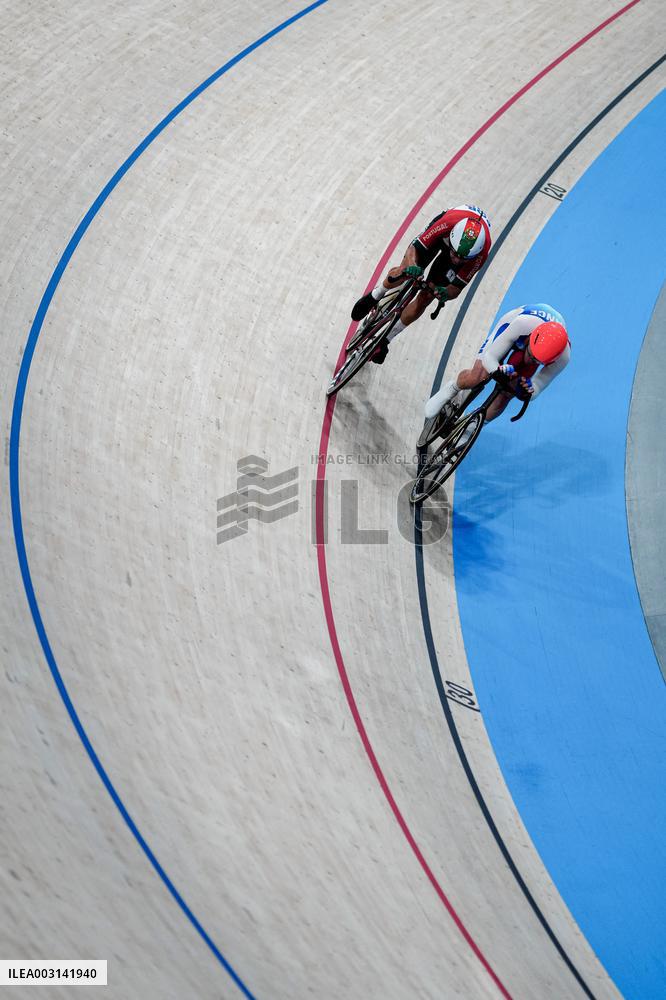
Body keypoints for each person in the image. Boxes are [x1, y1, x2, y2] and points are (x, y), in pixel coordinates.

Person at [351, 205, 492, 363]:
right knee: (406, 270)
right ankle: (376, 295)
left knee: (427, 297)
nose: (457, 259)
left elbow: (456, 289)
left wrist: (444, 292)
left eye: (462, 258)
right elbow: (414, 249)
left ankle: (385, 340)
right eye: (454, 253)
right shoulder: (448, 222)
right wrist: (412, 265)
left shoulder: (480, 254)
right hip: (442, 235)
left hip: (458, 248)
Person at [424, 303, 570, 426]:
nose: (531, 361)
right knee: (479, 375)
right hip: (513, 328)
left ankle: (470, 430)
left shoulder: (563, 358)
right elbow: (490, 357)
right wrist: (497, 370)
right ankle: (452, 388)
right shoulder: (522, 324)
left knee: (508, 392)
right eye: (531, 356)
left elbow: (536, 389)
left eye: (537, 361)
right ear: (532, 338)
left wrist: (526, 390)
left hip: (533, 346)